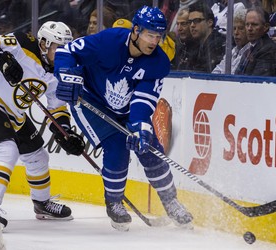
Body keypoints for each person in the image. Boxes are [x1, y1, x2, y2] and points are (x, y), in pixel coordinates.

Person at [53, 6, 193, 231]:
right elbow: (66, 52)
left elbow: (144, 100)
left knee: (149, 147)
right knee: (117, 146)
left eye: (158, 36)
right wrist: (66, 75)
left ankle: (171, 201)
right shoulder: (108, 41)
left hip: (127, 109)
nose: (154, 41)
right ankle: (114, 202)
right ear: (136, 30)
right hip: (91, 102)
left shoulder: (158, 62)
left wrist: (139, 125)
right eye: (150, 34)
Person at [0, 21, 85, 228]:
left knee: (37, 155)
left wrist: (64, 132)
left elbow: (57, 108)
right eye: (59, 46)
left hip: (14, 114)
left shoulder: (59, 72)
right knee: (6, 149)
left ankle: (42, 204)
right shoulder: (22, 44)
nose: (64, 52)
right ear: (45, 43)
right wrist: (1, 57)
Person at [234, 6, 276, 76]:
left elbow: (257, 82)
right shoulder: (249, 49)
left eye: (254, 24)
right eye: (247, 24)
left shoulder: (269, 50)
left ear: (266, 27)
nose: (249, 28)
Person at [188, 1, 226, 72]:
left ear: (210, 22)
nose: (192, 25)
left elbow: (205, 74)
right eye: (190, 22)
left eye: (197, 20)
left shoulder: (217, 44)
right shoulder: (195, 44)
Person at [212, 7, 251, 74]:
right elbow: (216, 71)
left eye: (241, 28)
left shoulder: (251, 51)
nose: (236, 32)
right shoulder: (233, 51)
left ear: (248, 29)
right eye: (234, 28)